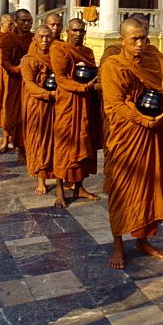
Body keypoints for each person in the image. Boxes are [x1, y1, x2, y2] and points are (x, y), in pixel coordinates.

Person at [101, 17, 163, 269]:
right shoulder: (113, 65)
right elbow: (114, 104)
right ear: (122, 40)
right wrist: (142, 119)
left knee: (152, 188)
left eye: (144, 38)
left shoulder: (153, 58)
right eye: (135, 39)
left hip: (152, 134)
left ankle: (143, 240)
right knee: (121, 189)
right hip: (126, 134)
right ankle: (118, 244)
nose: (141, 44)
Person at [50, 18, 102, 209]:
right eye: (75, 30)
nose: (78, 34)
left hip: (85, 104)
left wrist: (94, 85)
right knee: (64, 146)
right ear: (67, 31)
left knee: (83, 145)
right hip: (67, 104)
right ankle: (59, 190)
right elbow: (61, 79)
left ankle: (79, 187)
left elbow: (93, 73)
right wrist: (82, 87)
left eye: (82, 31)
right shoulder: (59, 49)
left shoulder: (87, 52)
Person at [21, 25, 57, 194]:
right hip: (36, 103)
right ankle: (41, 179)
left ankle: (59, 176)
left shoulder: (57, 57)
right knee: (39, 140)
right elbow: (29, 84)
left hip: (56, 103)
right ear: (34, 39)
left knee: (57, 141)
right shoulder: (29, 59)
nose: (45, 40)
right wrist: (47, 94)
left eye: (48, 37)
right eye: (41, 37)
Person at [0, 8, 34, 161]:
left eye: (29, 21)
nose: (26, 24)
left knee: (31, 114)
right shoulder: (8, 39)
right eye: (23, 20)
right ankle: (19, 148)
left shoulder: (34, 38)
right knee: (16, 113)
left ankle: (30, 146)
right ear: (16, 21)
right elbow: (4, 61)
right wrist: (17, 69)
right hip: (16, 80)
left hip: (32, 81)